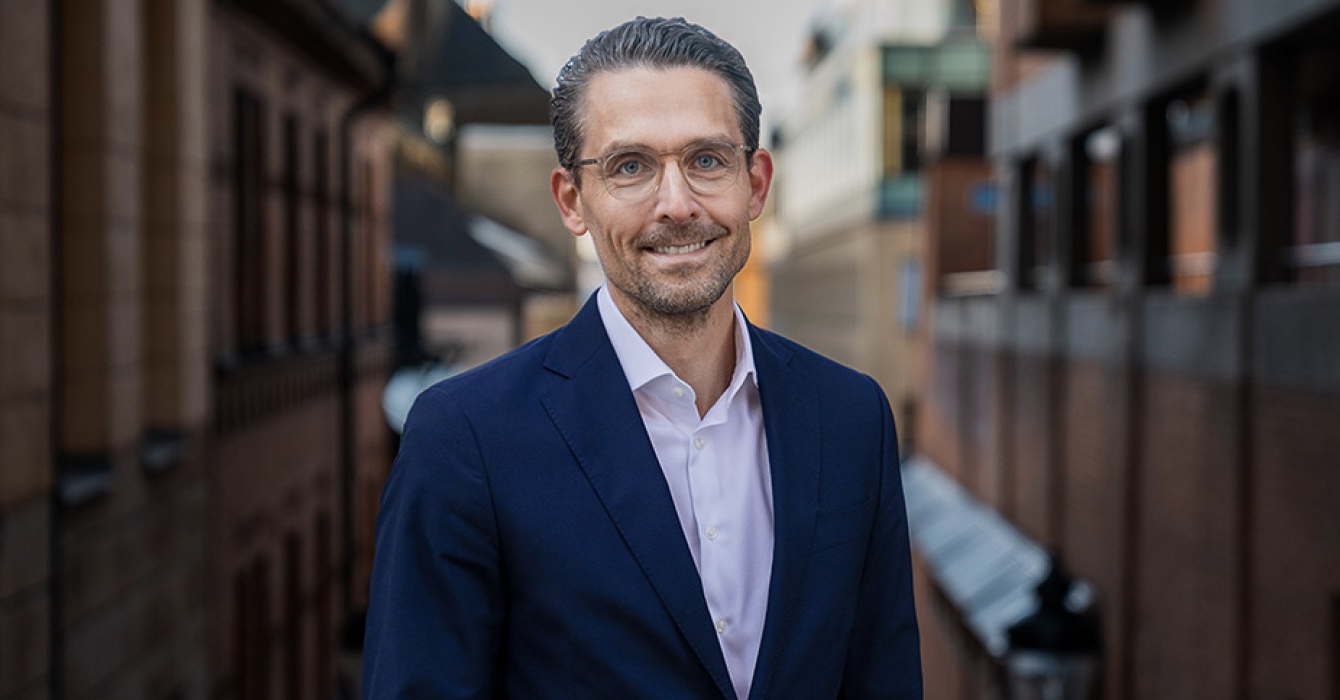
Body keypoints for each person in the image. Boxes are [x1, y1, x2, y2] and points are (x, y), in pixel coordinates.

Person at [363, 17, 922, 700]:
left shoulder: (853, 418)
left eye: (707, 160)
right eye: (630, 167)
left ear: (755, 183)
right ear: (573, 201)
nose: (677, 205)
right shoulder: (464, 438)